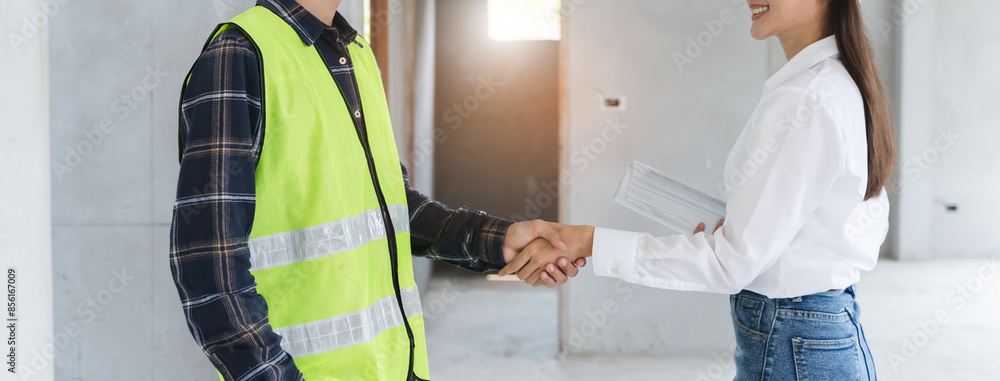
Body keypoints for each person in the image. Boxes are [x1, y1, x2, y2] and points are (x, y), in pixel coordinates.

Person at [169, 0, 583, 379]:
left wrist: (500, 240)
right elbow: (208, 261)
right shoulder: (239, 55)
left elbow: (391, 207)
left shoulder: (357, 55)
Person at [501, 0, 894, 379]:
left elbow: (731, 264)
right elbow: (832, 226)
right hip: (820, 334)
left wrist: (589, 241)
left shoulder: (804, 99)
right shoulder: (833, 82)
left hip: (794, 343)